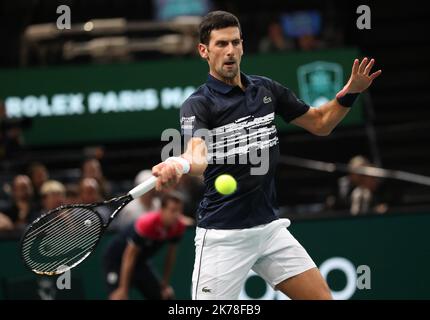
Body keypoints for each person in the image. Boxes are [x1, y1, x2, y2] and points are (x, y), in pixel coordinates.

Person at [150, 11, 382, 300]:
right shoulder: (198, 105)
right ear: (203, 51)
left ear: (243, 46)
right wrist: (179, 162)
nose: (230, 51)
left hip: (268, 230)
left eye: (235, 42)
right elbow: (197, 154)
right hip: (224, 236)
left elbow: (321, 123)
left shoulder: (266, 90)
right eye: (221, 44)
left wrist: (350, 92)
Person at [103, 192, 186, 300]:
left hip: (140, 262)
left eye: (179, 210)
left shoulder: (178, 226)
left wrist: (165, 285)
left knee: (166, 296)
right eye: (173, 210)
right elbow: (129, 257)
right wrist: (123, 288)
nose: (176, 215)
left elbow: (170, 257)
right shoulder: (147, 224)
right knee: (118, 297)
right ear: (162, 210)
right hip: (115, 260)